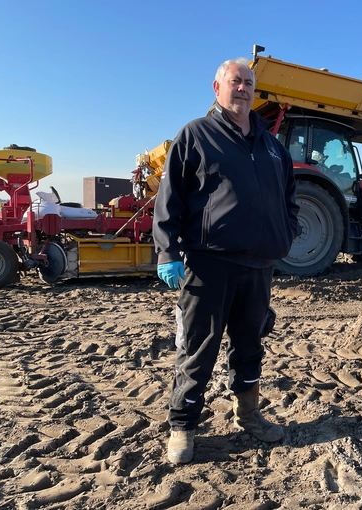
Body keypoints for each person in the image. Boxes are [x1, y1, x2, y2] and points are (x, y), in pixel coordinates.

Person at [153, 57, 299, 465]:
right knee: (199, 347)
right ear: (216, 87)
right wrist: (168, 250)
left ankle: (248, 414)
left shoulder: (271, 146)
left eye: (250, 84)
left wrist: (285, 235)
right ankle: (183, 426)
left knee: (250, 344)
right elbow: (170, 201)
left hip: (258, 266)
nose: (244, 89)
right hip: (209, 264)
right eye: (235, 82)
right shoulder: (196, 135)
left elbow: (289, 198)